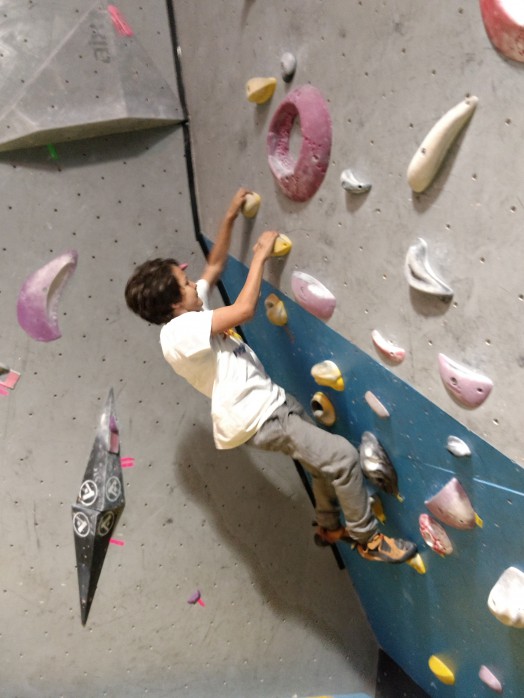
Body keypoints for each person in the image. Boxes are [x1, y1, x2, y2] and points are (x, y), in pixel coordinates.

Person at [125, 188, 417, 564]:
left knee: (319, 463)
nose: (192, 284)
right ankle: (368, 540)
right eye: (184, 284)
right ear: (173, 305)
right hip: (259, 417)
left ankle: (329, 525)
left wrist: (230, 217)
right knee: (343, 458)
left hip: (270, 403)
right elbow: (244, 310)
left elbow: (214, 266)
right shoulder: (177, 333)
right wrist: (260, 254)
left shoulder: (191, 311)